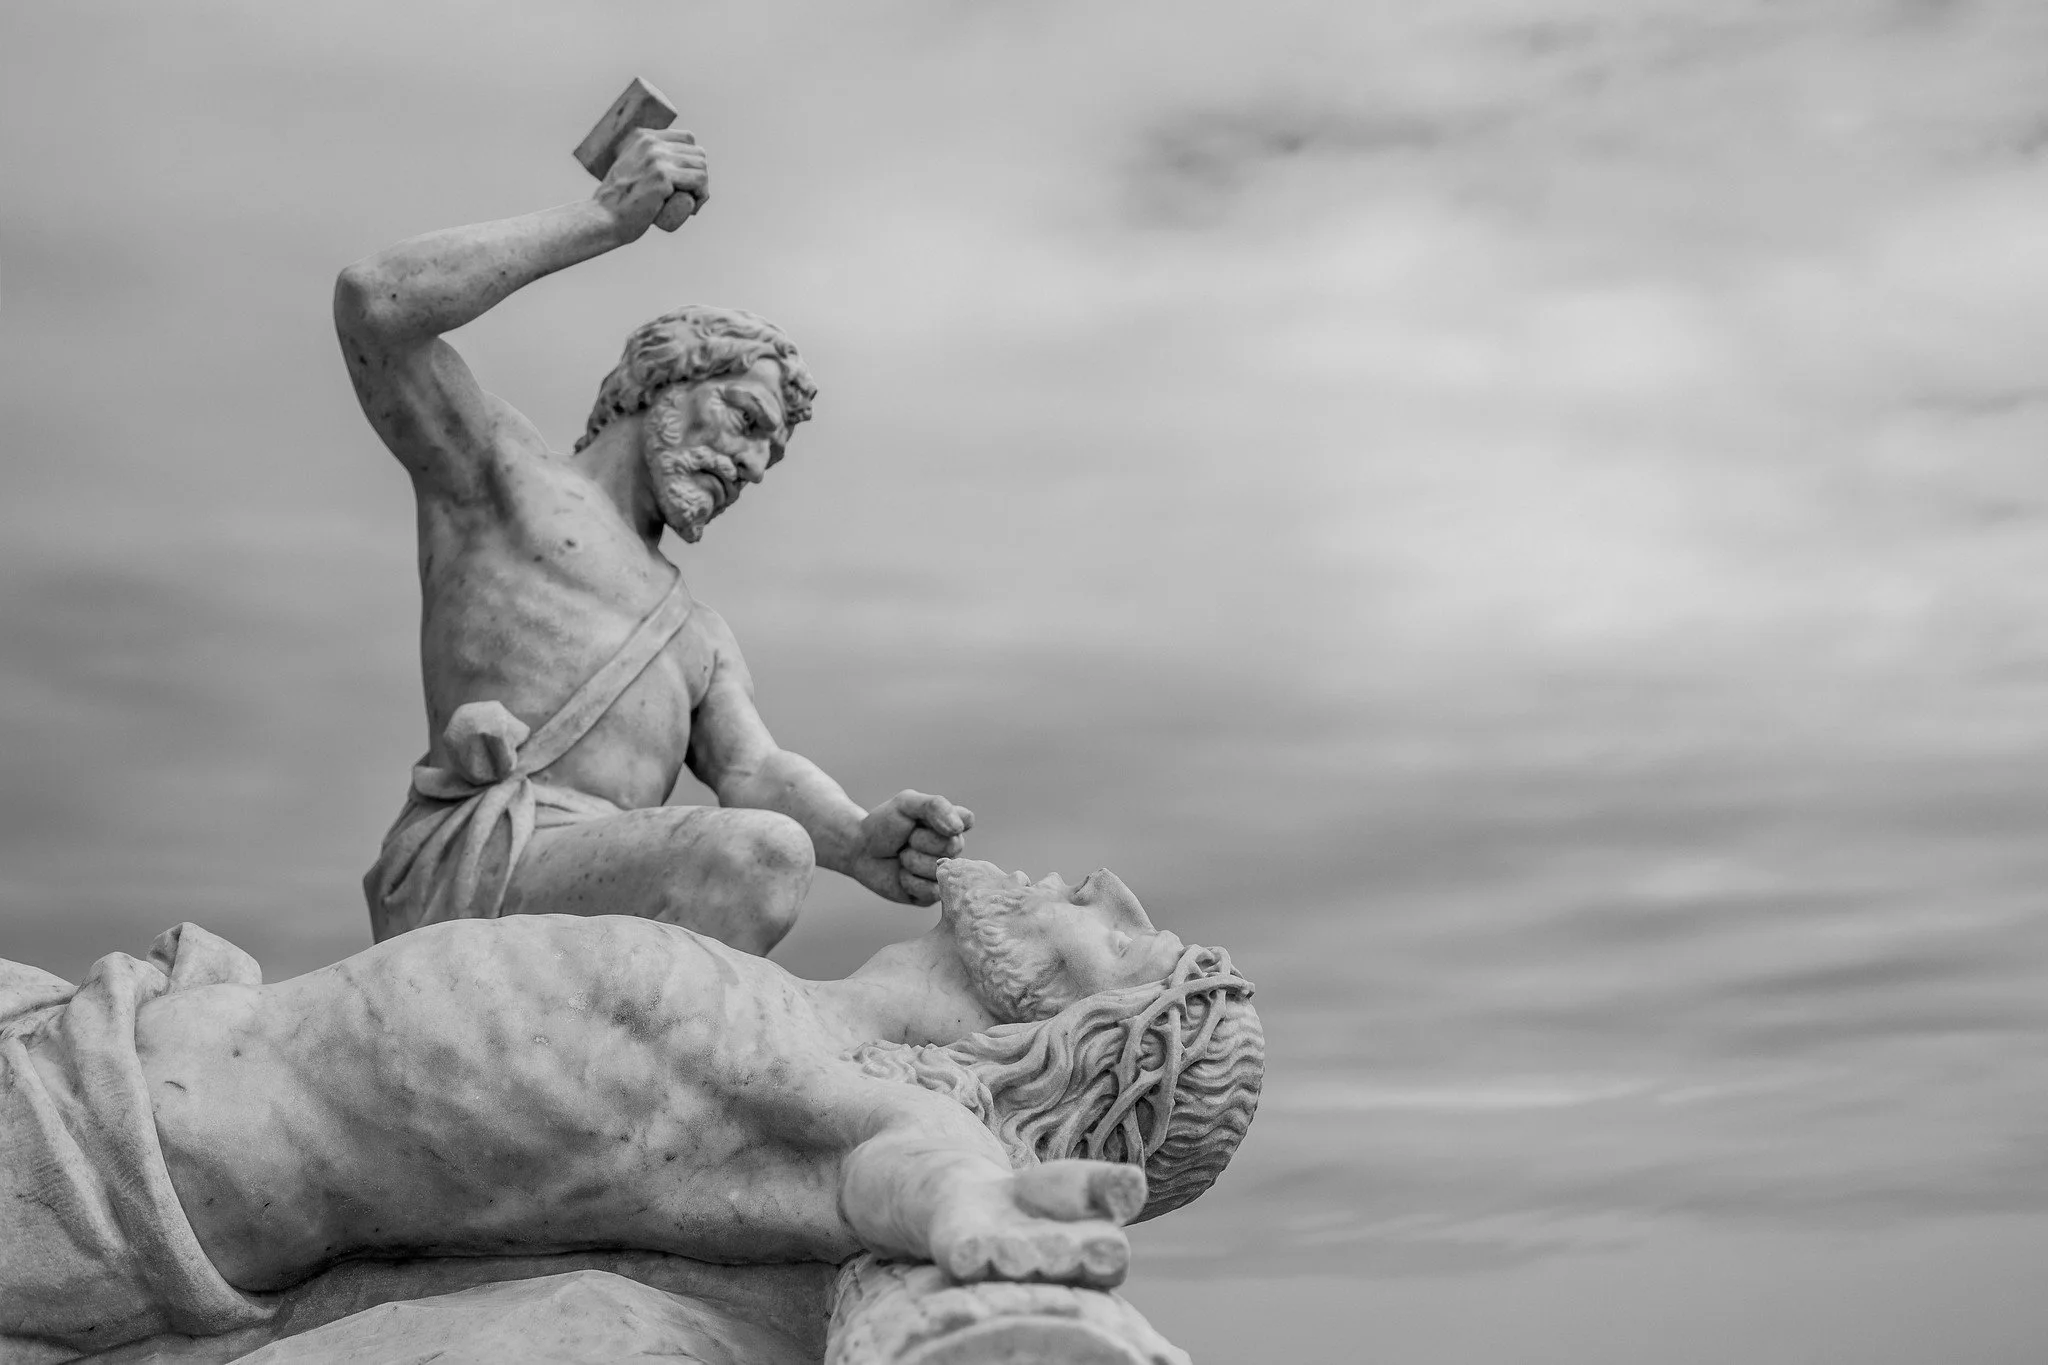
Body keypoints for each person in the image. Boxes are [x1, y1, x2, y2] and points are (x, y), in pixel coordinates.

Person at [0, 859, 1263, 1361]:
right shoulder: (791, 1004)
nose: (1108, 886)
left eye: (1131, 936)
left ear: (1076, 1038)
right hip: (91, 1028)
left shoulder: (863, 1103)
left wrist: (978, 1205)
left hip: (76, 1162)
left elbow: (914, 1167)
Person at [334, 126, 971, 951]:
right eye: (746, 422)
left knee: (772, 851)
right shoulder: (500, 473)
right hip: (485, 860)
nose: (750, 465)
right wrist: (604, 217)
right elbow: (374, 304)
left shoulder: (696, 632)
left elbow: (751, 770)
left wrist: (853, 838)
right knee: (762, 856)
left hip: (607, 873)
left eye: (768, 455)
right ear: (661, 380)